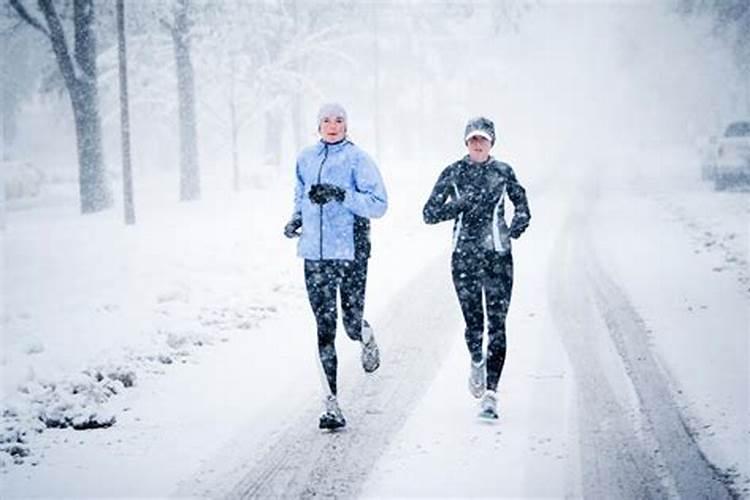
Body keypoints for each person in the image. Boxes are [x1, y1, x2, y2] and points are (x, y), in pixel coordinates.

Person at [284, 103, 388, 430]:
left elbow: (379, 204)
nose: (332, 125)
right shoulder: (305, 159)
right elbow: (301, 196)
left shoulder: (358, 159)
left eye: (339, 120)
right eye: (326, 121)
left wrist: (341, 194)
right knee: (324, 328)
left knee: (350, 323)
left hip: (352, 252)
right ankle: (331, 404)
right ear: (317, 126)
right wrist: (296, 220)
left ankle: (365, 335)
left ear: (347, 125)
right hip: (314, 256)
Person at [422, 116, 530, 419]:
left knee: (497, 325)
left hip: (498, 257)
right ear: (466, 143)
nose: (478, 144)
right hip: (464, 257)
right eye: (473, 140)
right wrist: (459, 204)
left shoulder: (503, 171)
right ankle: (477, 360)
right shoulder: (453, 172)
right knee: (475, 325)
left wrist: (517, 223)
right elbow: (428, 213)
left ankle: (492, 394)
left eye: (483, 139)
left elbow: (522, 204)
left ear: (492, 142)